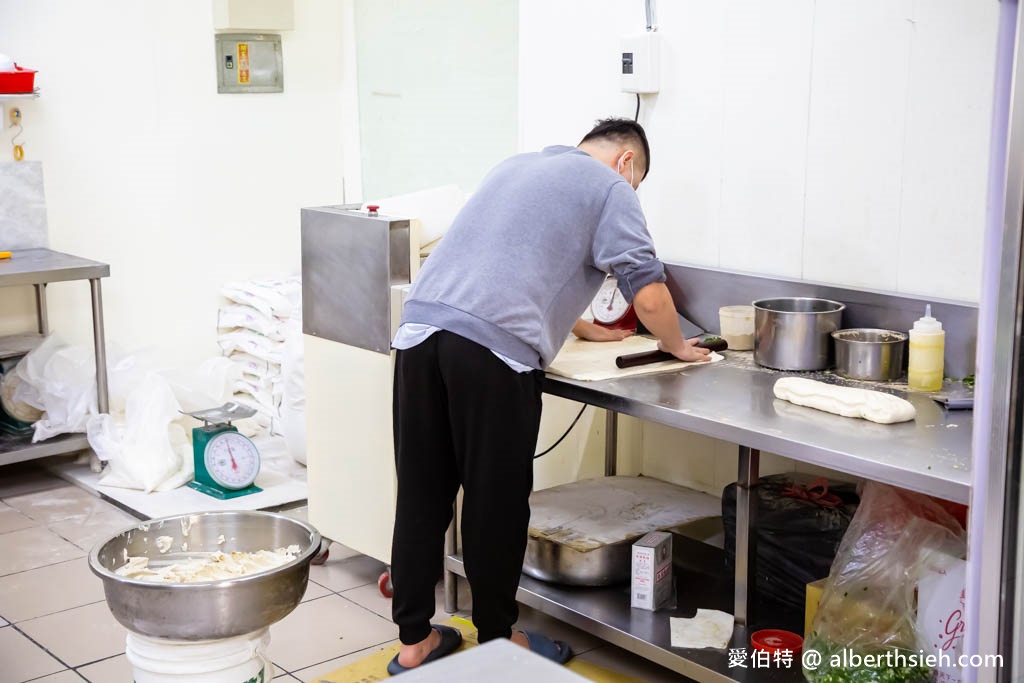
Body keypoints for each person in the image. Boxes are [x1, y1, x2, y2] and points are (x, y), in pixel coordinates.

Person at [386, 117, 709, 675]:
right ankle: (496, 643)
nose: (632, 192)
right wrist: (679, 346)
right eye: (637, 182)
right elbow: (650, 295)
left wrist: (579, 326)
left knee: (422, 493)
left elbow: (504, 262)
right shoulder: (610, 187)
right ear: (626, 162)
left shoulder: (516, 166)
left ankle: (413, 642)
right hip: (488, 354)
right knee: (495, 504)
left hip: (418, 335)